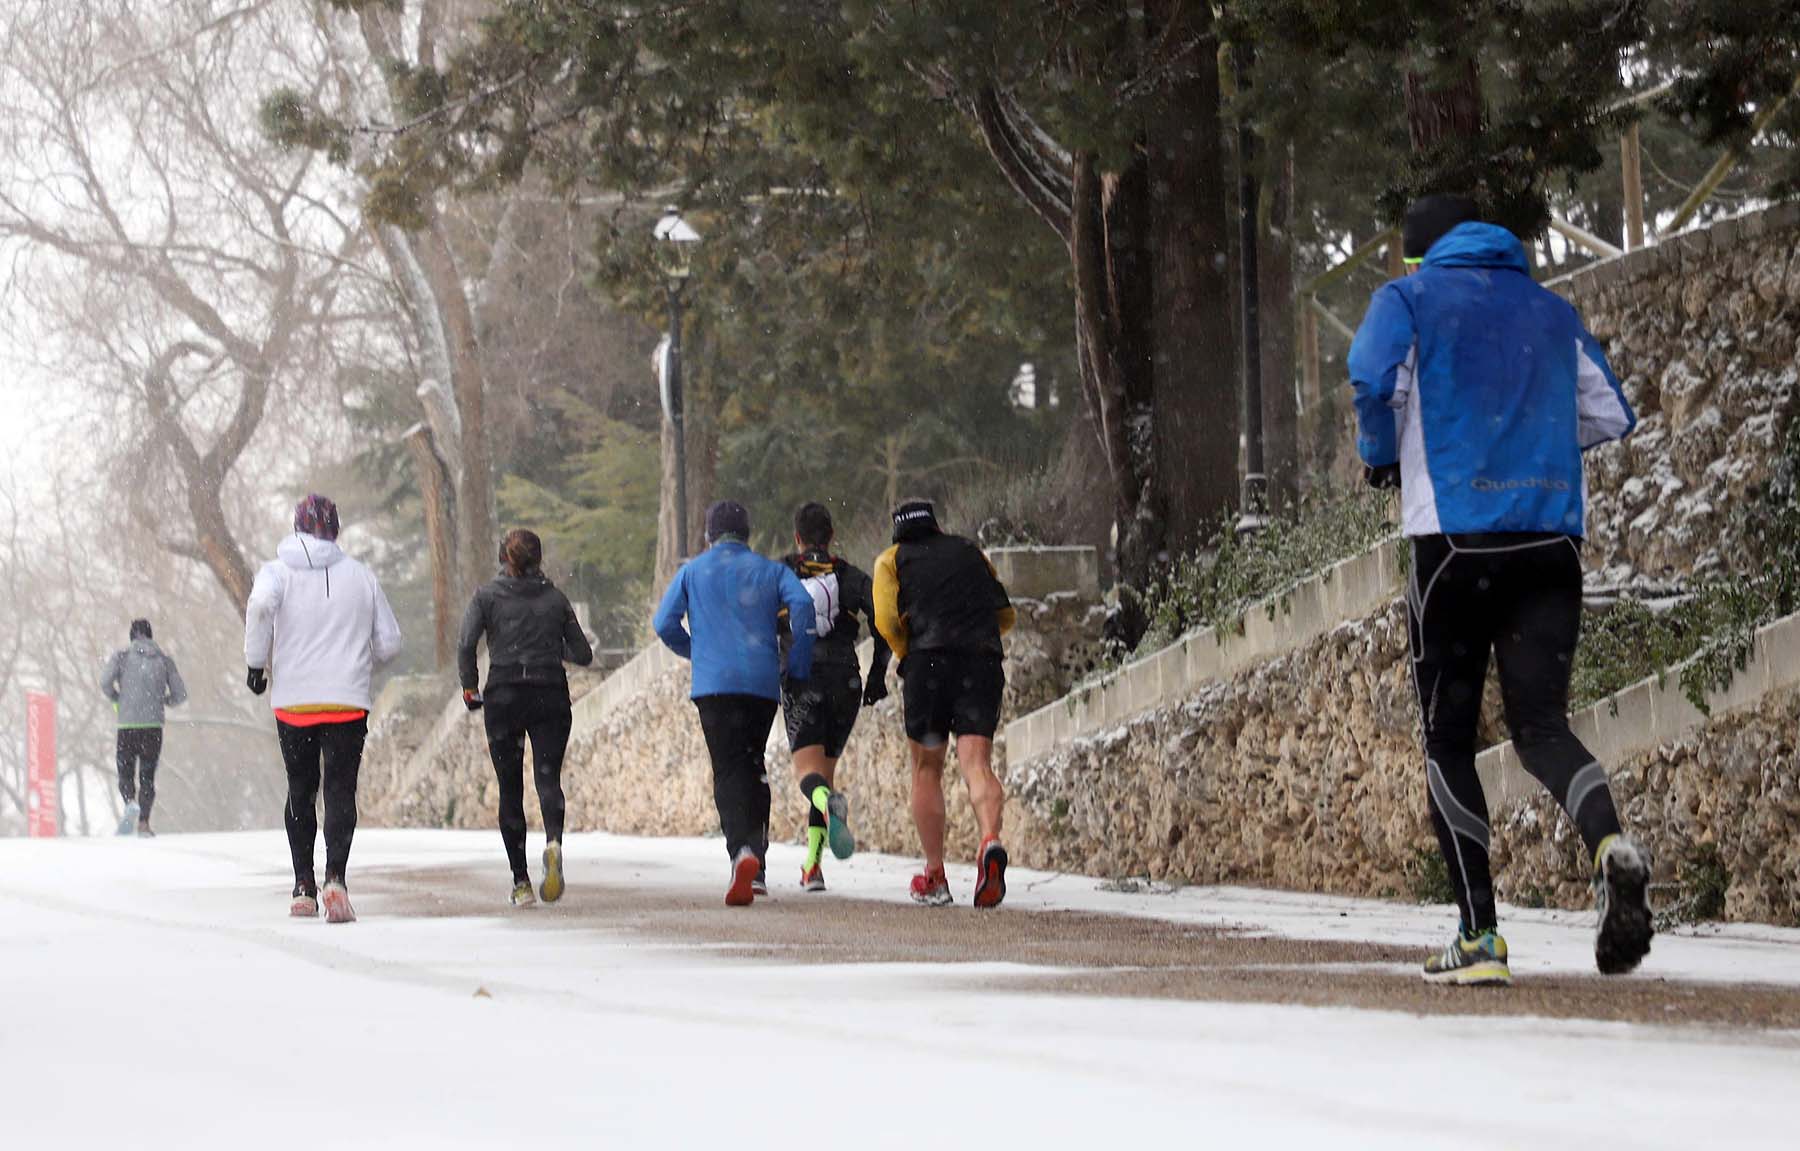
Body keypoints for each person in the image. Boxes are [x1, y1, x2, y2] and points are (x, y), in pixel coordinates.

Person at [1348, 193, 1654, 985]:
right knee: (1543, 727)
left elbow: (1370, 374)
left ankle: (1480, 937)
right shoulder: (1552, 310)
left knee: (1449, 740)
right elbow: (1609, 411)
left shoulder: (1408, 298)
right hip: (1549, 541)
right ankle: (1609, 844)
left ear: (1418, 256)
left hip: (1454, 544)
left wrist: (1382, 451)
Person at [244, 494, 403, 924]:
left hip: (294, 701)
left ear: (296, 527)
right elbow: (390, 642)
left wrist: (257, 664)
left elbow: (260, 607)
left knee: (301, 790)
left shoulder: (275, 573)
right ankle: (335, 879)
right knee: (339, 790)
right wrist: (359, 654)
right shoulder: (362, 576)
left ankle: (302, 887)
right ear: (336, 529)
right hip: (347, 701)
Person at [653, 500, 816, 906]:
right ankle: (757, 865)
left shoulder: (692, 571)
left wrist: (697, 652)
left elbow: (663, 624)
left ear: (709, 535)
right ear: (747, 533)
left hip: (714, 687)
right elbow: (804, 605)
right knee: (754, 765)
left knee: (727, 770)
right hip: (760, 684)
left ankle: (738, 852)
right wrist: (798, 660)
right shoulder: (771, 570)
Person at [872, 499, 1015, 908]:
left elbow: (885, 621)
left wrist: (909, 652)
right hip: (981, 660)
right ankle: (990, 840)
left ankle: (935, 875)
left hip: (927, 664)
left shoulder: (891, 560)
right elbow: (1005, 615)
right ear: (935, 525)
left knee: (927, 769)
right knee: (977, 764)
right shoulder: (970, 552)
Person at [458, 529, 594, 908]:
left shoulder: (485, 597)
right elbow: (583, 654)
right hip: (550, 693)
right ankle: (553, 842)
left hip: (504, 697)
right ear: (539, 559)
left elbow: (466, 643)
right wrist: (550, 646)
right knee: (548, 779)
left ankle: (520, 881)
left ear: (504, 557)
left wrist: (470, 688)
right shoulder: (555, 599)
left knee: (510, 788)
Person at [778, 502, 893, 892]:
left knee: (808, 776)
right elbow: (883, 619)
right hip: (846, 679)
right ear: (832, 537)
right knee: (825, 774)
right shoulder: (848, 575)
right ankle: (812, 865)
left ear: (797, 538)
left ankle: (827, 815)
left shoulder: (784, 573)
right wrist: (878, 673)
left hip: (802, 677)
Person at [98, 619, 188, 837]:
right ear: (151, 635)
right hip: (152, 727)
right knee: (147, 775)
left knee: (125, 772)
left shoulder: (122, 657)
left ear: (132, 636)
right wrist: (162, 701)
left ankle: (130, 802)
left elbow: (104, 682)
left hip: (127, 725)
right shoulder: (165, 661)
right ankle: (144, 824)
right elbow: (180, 694)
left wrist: (118, 698)